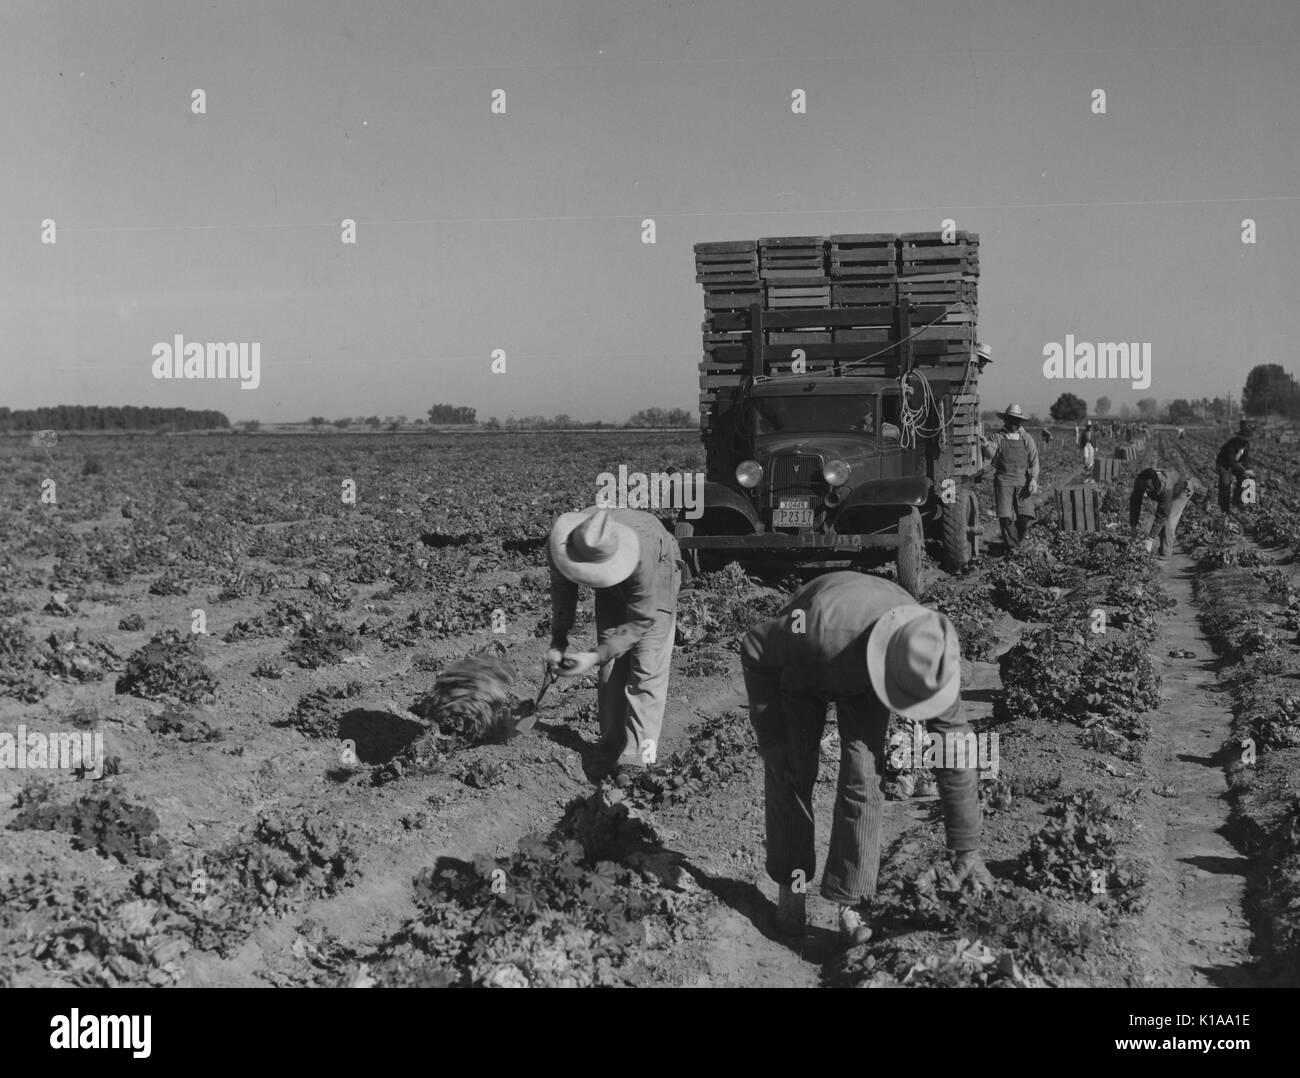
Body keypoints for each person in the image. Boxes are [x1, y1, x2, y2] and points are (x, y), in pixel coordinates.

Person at [741, 572, 992, 945]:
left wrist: (967, 848)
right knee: (791, 768)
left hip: (869, 681)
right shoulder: (818, 627)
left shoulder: (931, 653)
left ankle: (850, 899)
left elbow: (955, 751)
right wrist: (772, 738)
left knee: (863, 776)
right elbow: (755, 647)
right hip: (806, 668)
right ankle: (791, 887)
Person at [547, 507, 682, 780]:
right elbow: (563, 590)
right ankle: (610, 746)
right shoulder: (562, 544)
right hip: (613, 581)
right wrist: (559, 640)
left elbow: (641, 620)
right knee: (610, 662)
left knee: (647, 663)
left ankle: (639, 757)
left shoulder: (641, 555)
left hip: (658, 570)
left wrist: (592, 656)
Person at [981, 403, 1040, 552]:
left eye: (1016, 420)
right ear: (1005, 419)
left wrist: (1033, 478)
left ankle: (1017, 542)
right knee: (1006, 518)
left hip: (1022, 482)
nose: (1013, 423)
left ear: (1019, 422)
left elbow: (1034, 460)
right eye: (1011, 419)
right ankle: (1012, 547)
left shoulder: (1027, 438)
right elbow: (991, 453)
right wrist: (986, 445)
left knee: (1025, 517)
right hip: (1004, 481)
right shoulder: (997, 437)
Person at [1129, 467, 1198, 557]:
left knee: (1168, 521)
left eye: (1148, 488)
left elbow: (1162, 515)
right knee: (1161, 520)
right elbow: (1135, 503)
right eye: (1144, 489)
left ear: (1155, 484)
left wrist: (1150, 539)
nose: (1145, 493)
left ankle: (1166, 554)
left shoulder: (1166, 486)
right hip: (1170, 490)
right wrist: (1133, 525)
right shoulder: (1140, 481)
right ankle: (1161, 550)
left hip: (1181, 491)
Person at [1216, 421, 1254, 514]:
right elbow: (1231, 461)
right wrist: (1244, 470)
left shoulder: (1246, 445)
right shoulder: (1231, 445)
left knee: (1246, 480)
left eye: (1248, 439)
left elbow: (1246, 459)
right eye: (1245, 439)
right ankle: (1224, 509)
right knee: (1225, 484)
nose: (1246, 441)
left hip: (1236, 464)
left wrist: (1248, 470)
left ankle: (1238, 504)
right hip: (1224, 464)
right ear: (1240, 438)